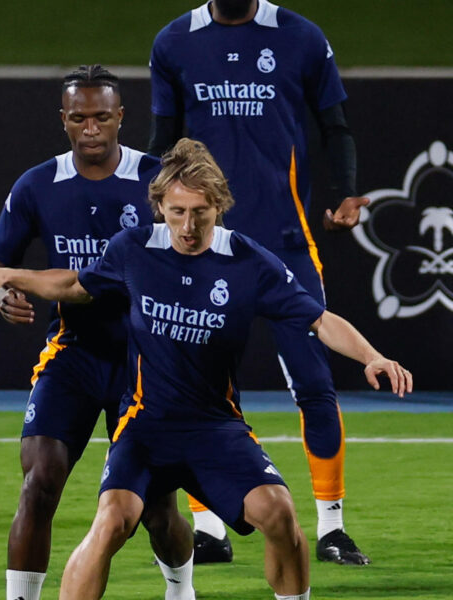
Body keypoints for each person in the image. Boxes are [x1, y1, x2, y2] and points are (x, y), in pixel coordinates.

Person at [0, 138, 413, 600]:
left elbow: (320, 320)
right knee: (110, 522)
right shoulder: (133, 249)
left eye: (200, 213)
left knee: (280, 514)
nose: (188, 226)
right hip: (145, 427)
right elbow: (72, 284)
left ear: (219, 206)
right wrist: (7, 274)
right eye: (177, 212)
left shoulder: (247, 260)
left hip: (215, 428)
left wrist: (373, 356)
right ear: (160, 206)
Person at [148, 0, 373, 565]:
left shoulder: (300, 36)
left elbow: (335, 126)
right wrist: (157, 219)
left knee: (314, 382)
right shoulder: (174, 42)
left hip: (285, 242)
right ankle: (210, 531)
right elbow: (163, 143)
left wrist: (345, 189)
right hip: (202, 246)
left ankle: (331, 527)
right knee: (195, 389)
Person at [0, 65, 194, 600]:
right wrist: (2, 295)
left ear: (122, 117)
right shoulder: (36, 184)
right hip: (73, 353)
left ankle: (180, 588)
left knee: (157, 506)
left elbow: (195, 253)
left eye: (102, 116)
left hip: (145, 358)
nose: (92, 127)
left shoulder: (159, 181)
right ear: (64, 121)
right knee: (41, 480)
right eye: (79, 118)